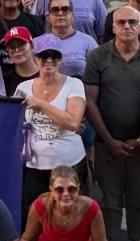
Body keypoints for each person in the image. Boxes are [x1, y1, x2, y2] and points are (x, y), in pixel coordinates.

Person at [84, 2, 140, 241]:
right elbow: (90, 103)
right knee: (110, 202)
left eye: (132, 22)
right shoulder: (98, 56)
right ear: (113, 26)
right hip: (107, 144)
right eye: (121, 22)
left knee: (138, 201)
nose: (127, 27)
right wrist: (109, 139)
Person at [14, 34, 87, 216]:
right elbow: (6, 118)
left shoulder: (74, 84)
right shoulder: (23, 87)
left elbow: (72, 122)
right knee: (31, 216)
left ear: (60, 59)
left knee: (70, 216)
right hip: (34, 165)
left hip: (69, 164)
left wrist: (42, 104)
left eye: (54, 56)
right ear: (35, 58)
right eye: (43, 56)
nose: (49, 60)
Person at [0, 165, 107, 241]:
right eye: (59, 189)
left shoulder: (91, 208)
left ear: (78, 189)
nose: (66, 194)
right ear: (51, 191)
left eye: (71, 189)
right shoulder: (39, 206)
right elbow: (28, 239)